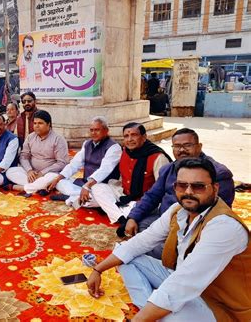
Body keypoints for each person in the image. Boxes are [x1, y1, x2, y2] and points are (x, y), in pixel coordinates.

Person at [87, 158, 250, 322]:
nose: (188, 191)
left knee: (169, 314)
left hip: (218, 305)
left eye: (198, 186)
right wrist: (98, 270)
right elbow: (142, 241)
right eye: (182, 185)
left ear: (215, 189)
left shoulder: (224, 226)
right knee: (125, 256)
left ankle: (152, 312)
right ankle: (150, 309)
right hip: (181, 280)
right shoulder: (179, 210)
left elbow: (185, 282)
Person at [124, 128, 235, 249]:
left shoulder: (218, 173)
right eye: (177, 146)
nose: (182, 150)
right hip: (166, 219)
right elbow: (152, 196)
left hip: (195, 225)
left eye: (187, 145)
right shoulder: (168, 169)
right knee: (140, 225)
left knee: (142, 248)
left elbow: (218, 211)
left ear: (199, 147)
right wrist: (133, 217)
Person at [92, 122, 171, 227]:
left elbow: (163, 189)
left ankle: (118, 211)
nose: (129, 139)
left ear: (144, 137)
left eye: (134, 135)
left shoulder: (157, 157)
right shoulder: (125, 151)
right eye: (126, 136)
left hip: (142, 202)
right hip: (123, 194)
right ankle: (121, 218)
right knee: (97, 188)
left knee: (97, 202)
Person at [47, 116, 122, 208]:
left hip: (102, 186)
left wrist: (87, 186)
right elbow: (74, 164)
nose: (93, 133)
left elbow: (104, 170)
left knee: (97, 199)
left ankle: (72, 198)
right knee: (55, 179)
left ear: (106, 131)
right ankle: (77, 197)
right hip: (84, 185)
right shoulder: (87, 144)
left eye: (97, 130)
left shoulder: (114, 147)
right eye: (91, 130)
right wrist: (58, 178)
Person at [6, 110, 69, 197]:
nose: (36, 126)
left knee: (49, 179)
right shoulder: (30, 137)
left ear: (48, 124)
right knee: (10, 171)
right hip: (33, 173)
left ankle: (21, 188)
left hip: (50, 173)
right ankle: (40, 187)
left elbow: (62, 162)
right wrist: (29, 170)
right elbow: (24, 156)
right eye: (35, 123)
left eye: (40, 123)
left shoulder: (58, 139)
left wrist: (42, 173)